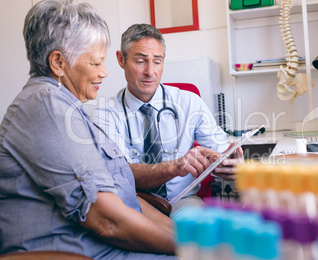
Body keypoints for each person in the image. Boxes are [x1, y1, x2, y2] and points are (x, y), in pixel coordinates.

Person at [0, 0, 187, 258]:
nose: (105, 72)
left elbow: (127, 198)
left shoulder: (71, 109)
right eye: (96, 63)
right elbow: (107, 219)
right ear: (58, 63)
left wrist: (183, 237)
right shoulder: (45, 105)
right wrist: (191, 250)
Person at [92, 24, 243, 217]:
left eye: (157, 61)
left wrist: (229, 162)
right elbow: (120, 174)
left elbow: (221, 149)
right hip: (131, 203)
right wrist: (174, 167)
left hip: (182, 202)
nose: (150, 71)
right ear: (121, 60)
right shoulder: (105, 114)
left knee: (197, 233)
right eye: (140, 61)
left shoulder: (189, 102)